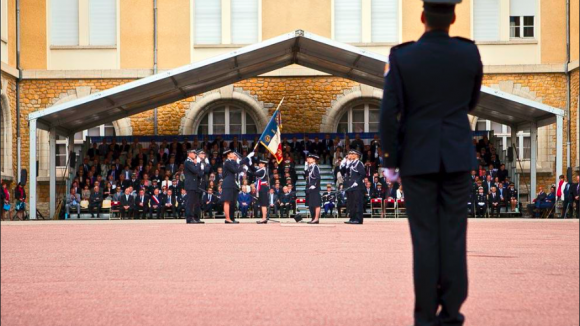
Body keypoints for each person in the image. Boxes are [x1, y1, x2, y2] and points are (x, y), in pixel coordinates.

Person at [379, 0, 483, 324]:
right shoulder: (469, 53)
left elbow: (388, 113)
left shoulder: (402, 56)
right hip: (455, 155)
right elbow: (472, 100)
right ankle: (451, 313)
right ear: (453, 18)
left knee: (424, 239)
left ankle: (425, 317)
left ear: (423, 17)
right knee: (454, 236)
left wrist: (390, 160)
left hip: (417, 158)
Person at [222, 150, 252, 224]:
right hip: (228, 183)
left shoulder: (232, 162)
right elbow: (235, 170)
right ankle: (227, 218)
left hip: (233, 184)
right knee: (227, 201)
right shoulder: (227, 162)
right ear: (228, 155)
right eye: (232, 153)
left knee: (233, 202)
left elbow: (238, 164)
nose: (234, 155)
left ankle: (232, 218)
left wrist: (247, 158)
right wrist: (242, 167)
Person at [342, 150, 366, 225]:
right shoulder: (350, 163)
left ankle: (358, 219)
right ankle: (352, 218)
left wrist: (357, 182)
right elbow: (345, 173)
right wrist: (344, 164)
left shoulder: (359, 163)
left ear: (357, 155)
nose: (350, 155)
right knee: (351, 203)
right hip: (350, 185)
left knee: (357, 203)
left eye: (352, 154)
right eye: (349, 153)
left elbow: (362, 174)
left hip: (357, 186)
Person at [183, 149, 204, 224]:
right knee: (190, 202)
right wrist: (197, 163)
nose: (195, 154)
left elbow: (199, 173)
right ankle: (189, 218)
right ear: (189, 153)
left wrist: (197, 164)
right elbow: (195, 170)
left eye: (195, 153)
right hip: (190, 184)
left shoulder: (192, 162)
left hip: (195, 184)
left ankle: (196, 217)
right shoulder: (187, 162)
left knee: (196, 202)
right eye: (194, 153)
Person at [304, 154, 322, 224]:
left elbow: (318, 177)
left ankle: (316, 218)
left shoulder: (315, 167)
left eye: (310, 158)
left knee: (316, 203)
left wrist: (314, 185)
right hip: (309, 188)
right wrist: (305, 168)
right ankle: (313, 218)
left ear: (314, 160)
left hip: (314, 188)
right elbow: (306, 176)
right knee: (310, 204)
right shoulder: (310, 167)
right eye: (308, 158)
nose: (308, 159)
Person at [252, 159, 271, 224]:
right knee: (262, 204)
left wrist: (249, 170)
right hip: (261, 187)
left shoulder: (263, 170)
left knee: (263, 204)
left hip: (263, 188)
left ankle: (264, 218)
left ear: (264, 165)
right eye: (259, 163)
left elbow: (254, 173)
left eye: (261, 163)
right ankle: (263, 218)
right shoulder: (261, 170)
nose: (259, 164)